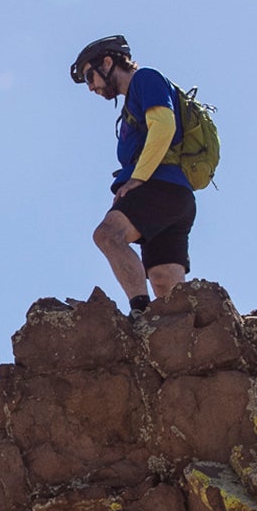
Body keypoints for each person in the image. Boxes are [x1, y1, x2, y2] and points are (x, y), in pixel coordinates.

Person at [71, 34, 195, 312]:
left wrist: (137, 178)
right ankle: (180, 334)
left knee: (107, 235)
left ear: (107, 62)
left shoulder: (145, 79)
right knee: (166, 287)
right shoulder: (131, 104)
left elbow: (164, 125)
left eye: (90, 77)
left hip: (158, 188)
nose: (91, 87)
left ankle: (139, 312)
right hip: (175, 197)